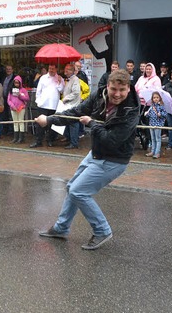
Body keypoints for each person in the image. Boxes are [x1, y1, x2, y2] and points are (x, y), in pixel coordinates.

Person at [37, 69, 140, 250]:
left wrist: (91, 123)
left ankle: (102, 230)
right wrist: (50, 120)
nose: (117, 94)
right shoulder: (99, 96)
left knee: (78, 192)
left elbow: (112, 140)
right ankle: (61, 228)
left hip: (114, 159)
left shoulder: (131, 111)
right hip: (96, 153)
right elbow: (77, 111)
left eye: (121, 90)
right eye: (113, 89)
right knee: (72, 188)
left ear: (128, 89)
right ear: (107, 86)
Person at [30, 64, 64, 148]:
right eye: (50, 68)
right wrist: (38, 101)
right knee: (40, 124)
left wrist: (59, 82)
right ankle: (38, 141)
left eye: (53, 68)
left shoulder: (60, 78)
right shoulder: (43, 78)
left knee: (52, 124)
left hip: (53, 105)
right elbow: (38, 91)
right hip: (43, 104)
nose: (51, 70)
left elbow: (62, 91)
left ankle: (50, 140)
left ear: (56, 69)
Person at [60, 63, 82, 149]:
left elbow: (76, 92)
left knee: (73, 123)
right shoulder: (68, 80)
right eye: (65, 69)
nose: (66, 71)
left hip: (73, 105)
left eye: (68, 69)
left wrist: (66, 98)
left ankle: (74, 143)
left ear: (72, 71)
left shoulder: (75, 79)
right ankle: (70, 140)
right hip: (69, 105)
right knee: (69, 122)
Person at [7, 75, 29, 144]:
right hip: (13, 108)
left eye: (18, 83)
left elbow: (27, 98)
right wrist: (12, 106)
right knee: (15, 122)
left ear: (20, 83)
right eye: (15, 82)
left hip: (21, 108)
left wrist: (20, 95)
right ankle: (15, 137)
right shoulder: (11, 90)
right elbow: (9, 100)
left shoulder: (23, 90)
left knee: (21, 122)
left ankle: (21, 137)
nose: (16, 84)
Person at [144, 91, 167, 158]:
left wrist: (160, 114)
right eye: (154, 97)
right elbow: (149, 115)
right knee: (152, 139)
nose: (156, 99)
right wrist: (147, 114)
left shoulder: (161, 106)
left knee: (158, 139)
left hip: (158, 124)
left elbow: (165, 115)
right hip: (151, 124)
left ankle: (157, 152)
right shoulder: (151, 106)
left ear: (160, 98)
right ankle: (152, 151)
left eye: (157, 97)